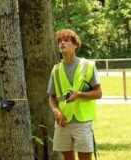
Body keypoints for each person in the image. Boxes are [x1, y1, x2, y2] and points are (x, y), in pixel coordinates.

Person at [47, 29, 102, 160]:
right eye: (60, 41)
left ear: (75, 45)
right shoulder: (55, 70)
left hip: (82, 121)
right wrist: (55, 110)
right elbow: (52, 97)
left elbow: (98, 93)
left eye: (66, 40)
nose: (62, 43)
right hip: (62, 121)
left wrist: (79, 94)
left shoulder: (88, 66)